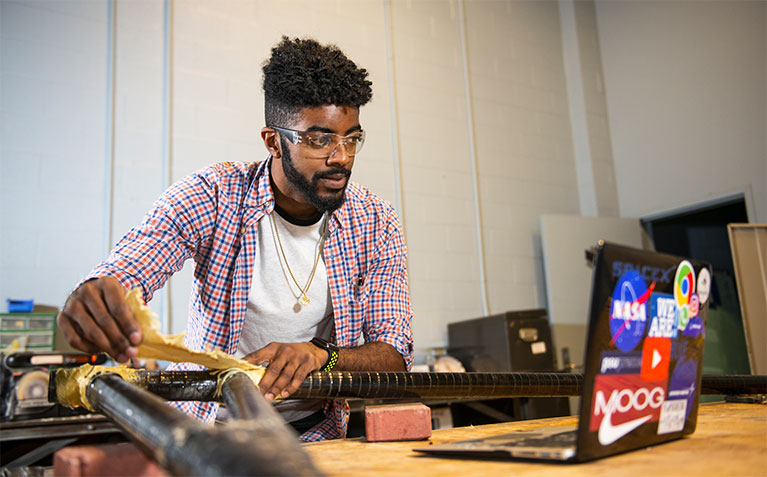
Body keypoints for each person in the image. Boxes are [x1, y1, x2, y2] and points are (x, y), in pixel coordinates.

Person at [56, 36, 414, 441]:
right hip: (211, 436)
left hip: (317, 435)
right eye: (320, 139)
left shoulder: (375, 221)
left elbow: (394, 354)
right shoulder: (214, 195)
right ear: (273, 141)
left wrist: (322, 356)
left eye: (352, 138)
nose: (342, 157)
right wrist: (96, 295)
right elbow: (129, 269)